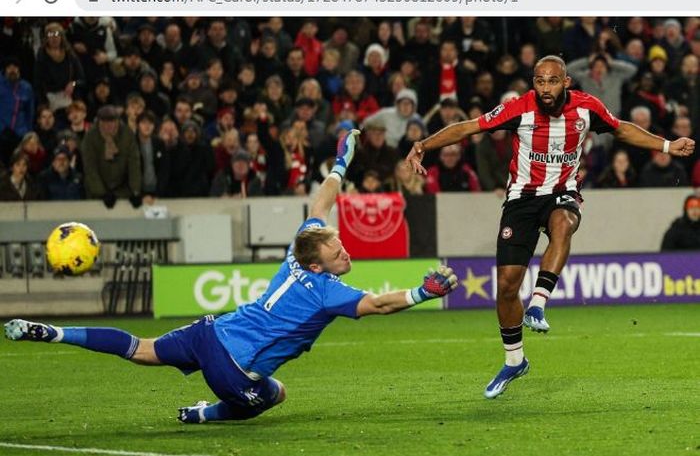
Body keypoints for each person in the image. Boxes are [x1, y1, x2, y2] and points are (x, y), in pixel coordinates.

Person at [4, 130, 458, 424]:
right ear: (317, 265)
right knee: (275, 395)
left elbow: (320, 207)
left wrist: (341, 162)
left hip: (209, 332)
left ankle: (55, 332)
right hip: (232, 370)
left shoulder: (297, 251)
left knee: (140, 350)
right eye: (336, 250)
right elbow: (378, 304)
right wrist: (423, 291)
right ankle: (206, 416)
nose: (345, 249)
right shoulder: (326, 291)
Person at [405, 55, 695, 399]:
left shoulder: (588, 108)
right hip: (521, 200)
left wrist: (666, 144)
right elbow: (468, 127)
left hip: (562, 192)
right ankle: (514, 360)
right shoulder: (518, 109)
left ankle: (539, 302)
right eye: (539, 81)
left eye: (552, 81)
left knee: (564, 221)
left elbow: (621, 129)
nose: (545, 88)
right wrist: (423, 144)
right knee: (507, 287)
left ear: (566, 82)